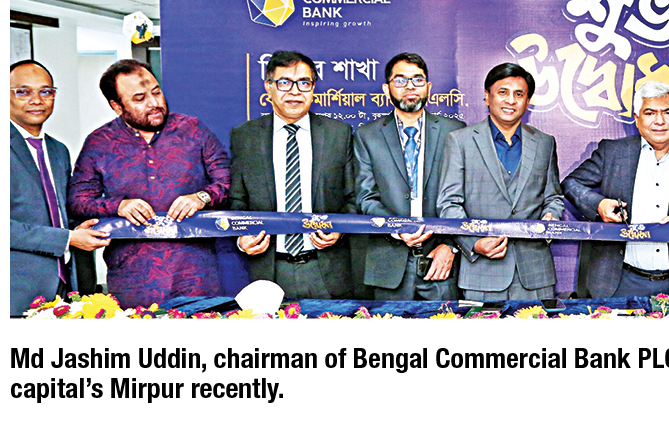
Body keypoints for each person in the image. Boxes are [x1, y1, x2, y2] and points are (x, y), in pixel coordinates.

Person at [69, 59, 230, 308]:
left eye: (156, 92)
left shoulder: (193, 130)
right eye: (140, 98)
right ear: (117, 106)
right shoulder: (99, 142)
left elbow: (228, 181)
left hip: (196, 272)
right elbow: (78, 201)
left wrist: (201, 197)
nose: (154, 103)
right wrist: (119, 206)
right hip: (133, 278)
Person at [564, 80, 669, 299]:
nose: (660, 121)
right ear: (637, 119)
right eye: (650, 113)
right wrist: (599, 204)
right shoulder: (612, 152)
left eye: (667, 112)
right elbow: (571, 183)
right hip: (618, 281)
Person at [436, 63, 569, 300]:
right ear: (487, 97)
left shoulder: (544, 142)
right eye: (503, 92)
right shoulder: (460, 141)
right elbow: (449, 203)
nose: (510, 100)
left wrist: (551, 216)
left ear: (528, 102)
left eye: (519, 94)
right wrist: (475, 243)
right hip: (482, 272)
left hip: (536, 274)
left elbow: (554, 197)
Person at [230, 51, 355, 299]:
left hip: (327, 271)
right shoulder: (245, 136)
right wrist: (241, 237)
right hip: (268, 270)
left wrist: (339, 229)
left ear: (313, 88)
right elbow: (236, 201)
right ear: (268, 87)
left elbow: (353, 198)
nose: (295, 92)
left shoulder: (338, 134)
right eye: (284, 83)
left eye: (304, 83)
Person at [350, 53, 464, 300]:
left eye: (417, 80)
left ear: (428, 87)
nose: (410, 86)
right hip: (388, 264)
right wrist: (397, 227)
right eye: (400, 80)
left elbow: (465, 197)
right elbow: (365, 197)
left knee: (446, 327)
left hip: (441, 262)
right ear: (386, 88)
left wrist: (451, 245)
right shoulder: (367, 135)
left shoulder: (455, 132)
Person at [10, 60, 107, 315]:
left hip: (66, 291)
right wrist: (68, 239)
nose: (36, 100)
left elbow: (62, 212)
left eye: (45, 91)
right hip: (15, 293)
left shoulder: (58, 150)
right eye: (23, 92)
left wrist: (81, 228)